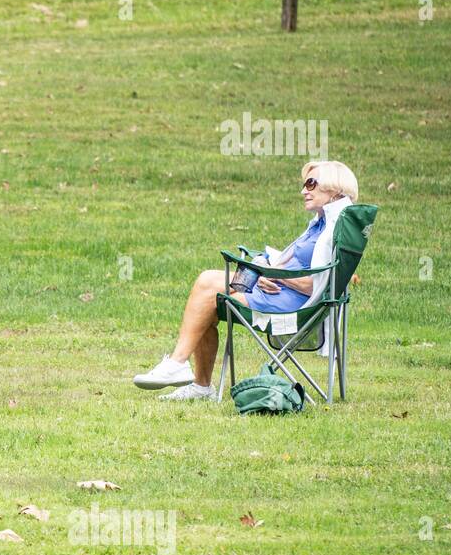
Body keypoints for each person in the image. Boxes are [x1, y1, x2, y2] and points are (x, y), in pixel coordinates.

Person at [132, 160, 360, 400]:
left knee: (208, 283)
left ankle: (179, 365)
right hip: (279, 292)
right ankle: (198, 384)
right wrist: (265, 269)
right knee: (207, 302)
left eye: (311, 184)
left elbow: (318, 284)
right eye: (305, 184)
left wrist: (272, 275)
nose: (304, 191)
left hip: (294, 307)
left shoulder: (336, 229)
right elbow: (286, 264)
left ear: (335, 189)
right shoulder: (320, 225)